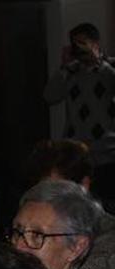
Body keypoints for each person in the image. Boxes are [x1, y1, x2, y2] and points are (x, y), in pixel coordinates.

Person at [25, 139, 115, 269]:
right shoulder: (26, 233)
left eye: (55, 192)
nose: (46, 203)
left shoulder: (109, 239)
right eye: (41, 192)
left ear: (84, 185)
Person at [43, 22, 115, 208]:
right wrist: (63, 67)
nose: (79, 48)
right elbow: (49, 96)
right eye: (75, 43)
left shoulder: (110, 70)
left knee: (107, 204)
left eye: (83, 42)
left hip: (107, 151)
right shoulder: (70, 72)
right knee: (78, 205)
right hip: (75, 150)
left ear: (96, 44)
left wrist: (102, 61)